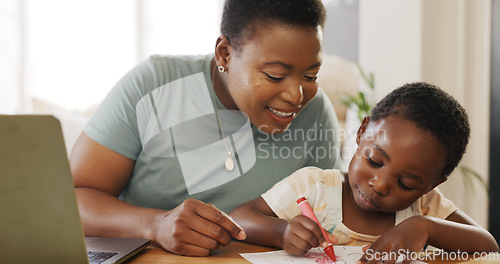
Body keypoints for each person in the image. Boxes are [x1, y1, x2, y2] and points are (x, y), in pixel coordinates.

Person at [69, 0, 341, 257]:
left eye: (310, 76)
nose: (296, 95)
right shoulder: (152, 85)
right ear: (225, 54)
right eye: (275, 76)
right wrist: (155, 224)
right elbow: (72, 202)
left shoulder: (316, 112)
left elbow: (336, 217)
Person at [229, 82, 500, 263]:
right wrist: (282, 231)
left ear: (432, 185)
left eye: (406, 183)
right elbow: (239, 218)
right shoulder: (313, 186)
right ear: (361, 132)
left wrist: (425, 227)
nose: (380, 185)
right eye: (374, 161)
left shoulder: (426, 208)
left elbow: (489, 248)